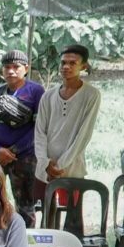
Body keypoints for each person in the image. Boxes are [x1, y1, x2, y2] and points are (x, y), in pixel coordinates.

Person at [34, 44, 102, 231]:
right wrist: (45, 162)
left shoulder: (91, 95)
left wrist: (60, 165)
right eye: (63, 62)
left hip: (71, 169)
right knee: (46, 217)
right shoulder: (47, 96)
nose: (66, 67)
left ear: (84, 67)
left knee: (73, 220)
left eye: (73, 63)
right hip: (44, 169)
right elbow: (39, 132)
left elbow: (84, 135)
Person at [0, 50, 45, 227]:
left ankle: (25, 244)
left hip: (25, 158)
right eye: (7, 67)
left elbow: (37, 128)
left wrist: (13, 151)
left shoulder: (36, 92)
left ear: (26, 68)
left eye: (16, 67)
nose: (11, 71)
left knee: (25, 205)